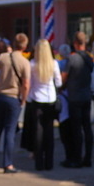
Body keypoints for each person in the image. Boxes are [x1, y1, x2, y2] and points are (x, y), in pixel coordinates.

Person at [0, 33, 30, 174]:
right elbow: (25, 84)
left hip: (0, 96)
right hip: (13, 97)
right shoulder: (24, 62)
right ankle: (8, 164)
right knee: (10, 131)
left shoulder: (3, 57)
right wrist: (23, 99)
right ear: (25, 46)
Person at [26, 39, 62, 171]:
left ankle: (39, 162)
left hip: (36, 99)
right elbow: (58, 83)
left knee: (38, 132)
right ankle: (49, 162)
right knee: (49, 131)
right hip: (50, 99)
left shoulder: (32, 64)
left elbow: (29, 83)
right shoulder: (54, 64)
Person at [60, 32, 94, 168]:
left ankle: (77, 158)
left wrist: (61, 87)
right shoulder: (89, 59)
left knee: (76, 129)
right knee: (87, 128)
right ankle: (88, 158)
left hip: (74, 98)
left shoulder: (72, 59)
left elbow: (64, 77)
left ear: (75, 43)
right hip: (87, 96)